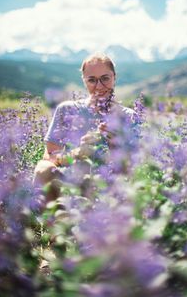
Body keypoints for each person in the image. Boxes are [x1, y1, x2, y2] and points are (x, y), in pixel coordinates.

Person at [33, 53, 140, 202]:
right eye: (92, 80)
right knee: (43, 169)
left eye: (105, 78)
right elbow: (48, 157)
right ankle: (57, 223)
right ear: (84, 81)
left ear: (114, 77)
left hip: (112, 188)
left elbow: (137, 169)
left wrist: (115, 146)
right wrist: (77, 154)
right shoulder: (67, 110)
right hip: (72, 184)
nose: (99, 86)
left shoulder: (130, 117)